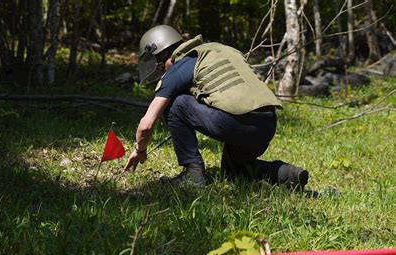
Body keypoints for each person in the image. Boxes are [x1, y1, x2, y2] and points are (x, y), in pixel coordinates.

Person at [124, 25, 309, 190]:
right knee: (234, 172)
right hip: (267, 123)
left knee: (176, 104)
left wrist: (140, 150)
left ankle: (192, 173)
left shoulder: (178, 67)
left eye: (158, 66)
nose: (160, 71)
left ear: (163, 55)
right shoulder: (219, 50)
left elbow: (146, 125)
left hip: (237, 122)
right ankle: (287, 174)